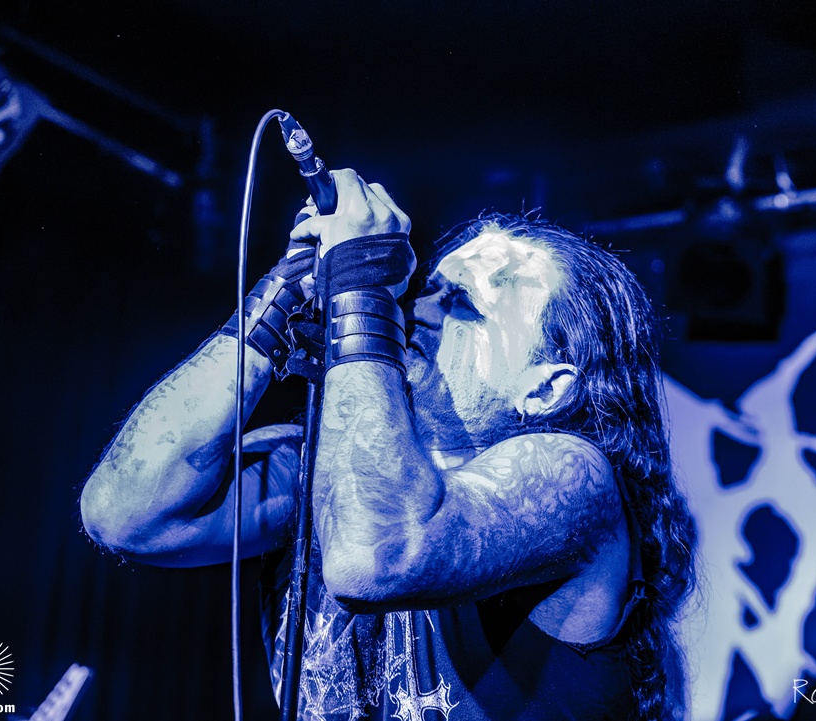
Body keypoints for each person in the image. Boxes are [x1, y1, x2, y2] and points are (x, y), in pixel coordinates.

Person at [80, 168, 698, 721]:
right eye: (429, 288)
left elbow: (376, 559)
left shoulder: (571, 476)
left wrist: (358, 288)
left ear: (544, 389)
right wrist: (281, 297)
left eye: (465, 305)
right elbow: (124, 514)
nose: (419, 310)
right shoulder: (320, 470)